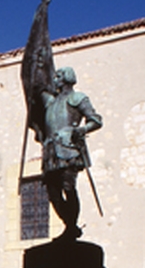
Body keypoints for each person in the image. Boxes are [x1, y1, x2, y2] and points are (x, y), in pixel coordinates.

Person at [39, 66, 102, 240]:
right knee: (52, 190)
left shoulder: (77, 98)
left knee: (68, 187)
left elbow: (96, 120)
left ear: (67, 78)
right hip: (51, 150)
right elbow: (37, 89)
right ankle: (70, 224)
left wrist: (82, 130)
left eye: (58, 76)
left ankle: (71, 226)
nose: (55, 79)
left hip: (68, 148)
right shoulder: (51, 103)